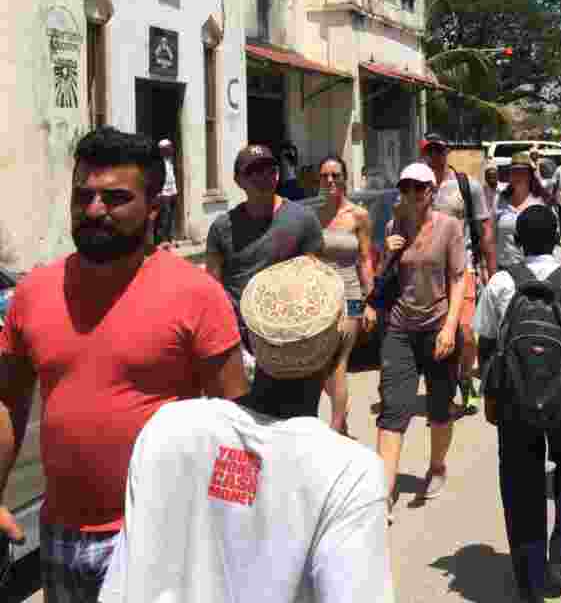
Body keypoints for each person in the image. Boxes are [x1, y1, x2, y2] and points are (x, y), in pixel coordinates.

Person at [0, 127, 247, 603]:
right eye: (83, 195)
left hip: (160, 535)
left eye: (115, 198)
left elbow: (236, 426)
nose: (94, 209)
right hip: (61, 535)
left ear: (153, 208)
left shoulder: (197, 296)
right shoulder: (33, 294)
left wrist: (235, 533)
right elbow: (8, 403)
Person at [98, 255, 394, 603]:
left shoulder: (168, 428)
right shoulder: (349, 472)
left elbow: (123, 582)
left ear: (252, 343)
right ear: (335, 352)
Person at [475, 206, 561, 602]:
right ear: (556, 237)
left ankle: (530, 575)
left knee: (521, 480)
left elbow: (485, 342)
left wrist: (489, 397)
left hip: (515, 400)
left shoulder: (502, 282)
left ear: (516, 241)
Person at [376, 163, 467, 517]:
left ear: (431, 191)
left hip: (437, 327)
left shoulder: (449, 227)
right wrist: (388, 252)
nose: (412, 195)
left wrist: (449, 327)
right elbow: (386, 279)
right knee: (393, 410)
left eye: (419, 188)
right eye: (406, 188)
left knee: (439, 410)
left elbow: (458, 279)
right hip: (399, 327)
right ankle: (383, 494)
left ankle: (437, 465)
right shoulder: (393, 227)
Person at [206, 145, 324, 378]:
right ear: (238, 180)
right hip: (240, 344)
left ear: (277, 174)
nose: (263, 177)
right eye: (253, 171)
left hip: (291, 340)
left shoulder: (303, 220)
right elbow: (212, 290)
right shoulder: (222, 228)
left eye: (269, 169)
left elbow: (315, 281)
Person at [421, 133, 496, 416]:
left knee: (465, 332)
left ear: (448, 150)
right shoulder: (418, 186)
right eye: (430, 151)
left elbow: (485, 229)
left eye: (439, 150)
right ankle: (443, 387)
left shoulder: (467, 186)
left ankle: (466, 379)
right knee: (436, 335)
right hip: (428, 272)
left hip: (463, 268)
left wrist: (491, 269)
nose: (435, 156)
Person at [317, 155, 375, 435]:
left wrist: (369, 302)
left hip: (351, 294)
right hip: (321, 298)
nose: (330, 181)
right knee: (323, 364)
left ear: (345, 178)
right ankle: (342, 412)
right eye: (325, 176)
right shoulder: (314, 217)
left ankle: (336, 427)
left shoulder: (359, 216)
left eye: (335, 175)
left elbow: (365, 260)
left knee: (338, 359)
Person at [495, 153, 548, 270]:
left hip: (531, 269)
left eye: (522, 172)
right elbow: (493, 235)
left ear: (530, 175)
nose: (518, 176)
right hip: (504, 268)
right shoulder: (500, 200)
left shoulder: (540, 202)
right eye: (514, 172)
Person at [154, 138, 178, 247]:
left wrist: (175, 190)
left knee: (172, 217)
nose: (170, 150)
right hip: (164, 193)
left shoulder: (171, 160)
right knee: (164, 217)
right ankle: (162, 240)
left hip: (172, 191)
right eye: (167, 148)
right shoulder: (158, 162)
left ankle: (171, 238)